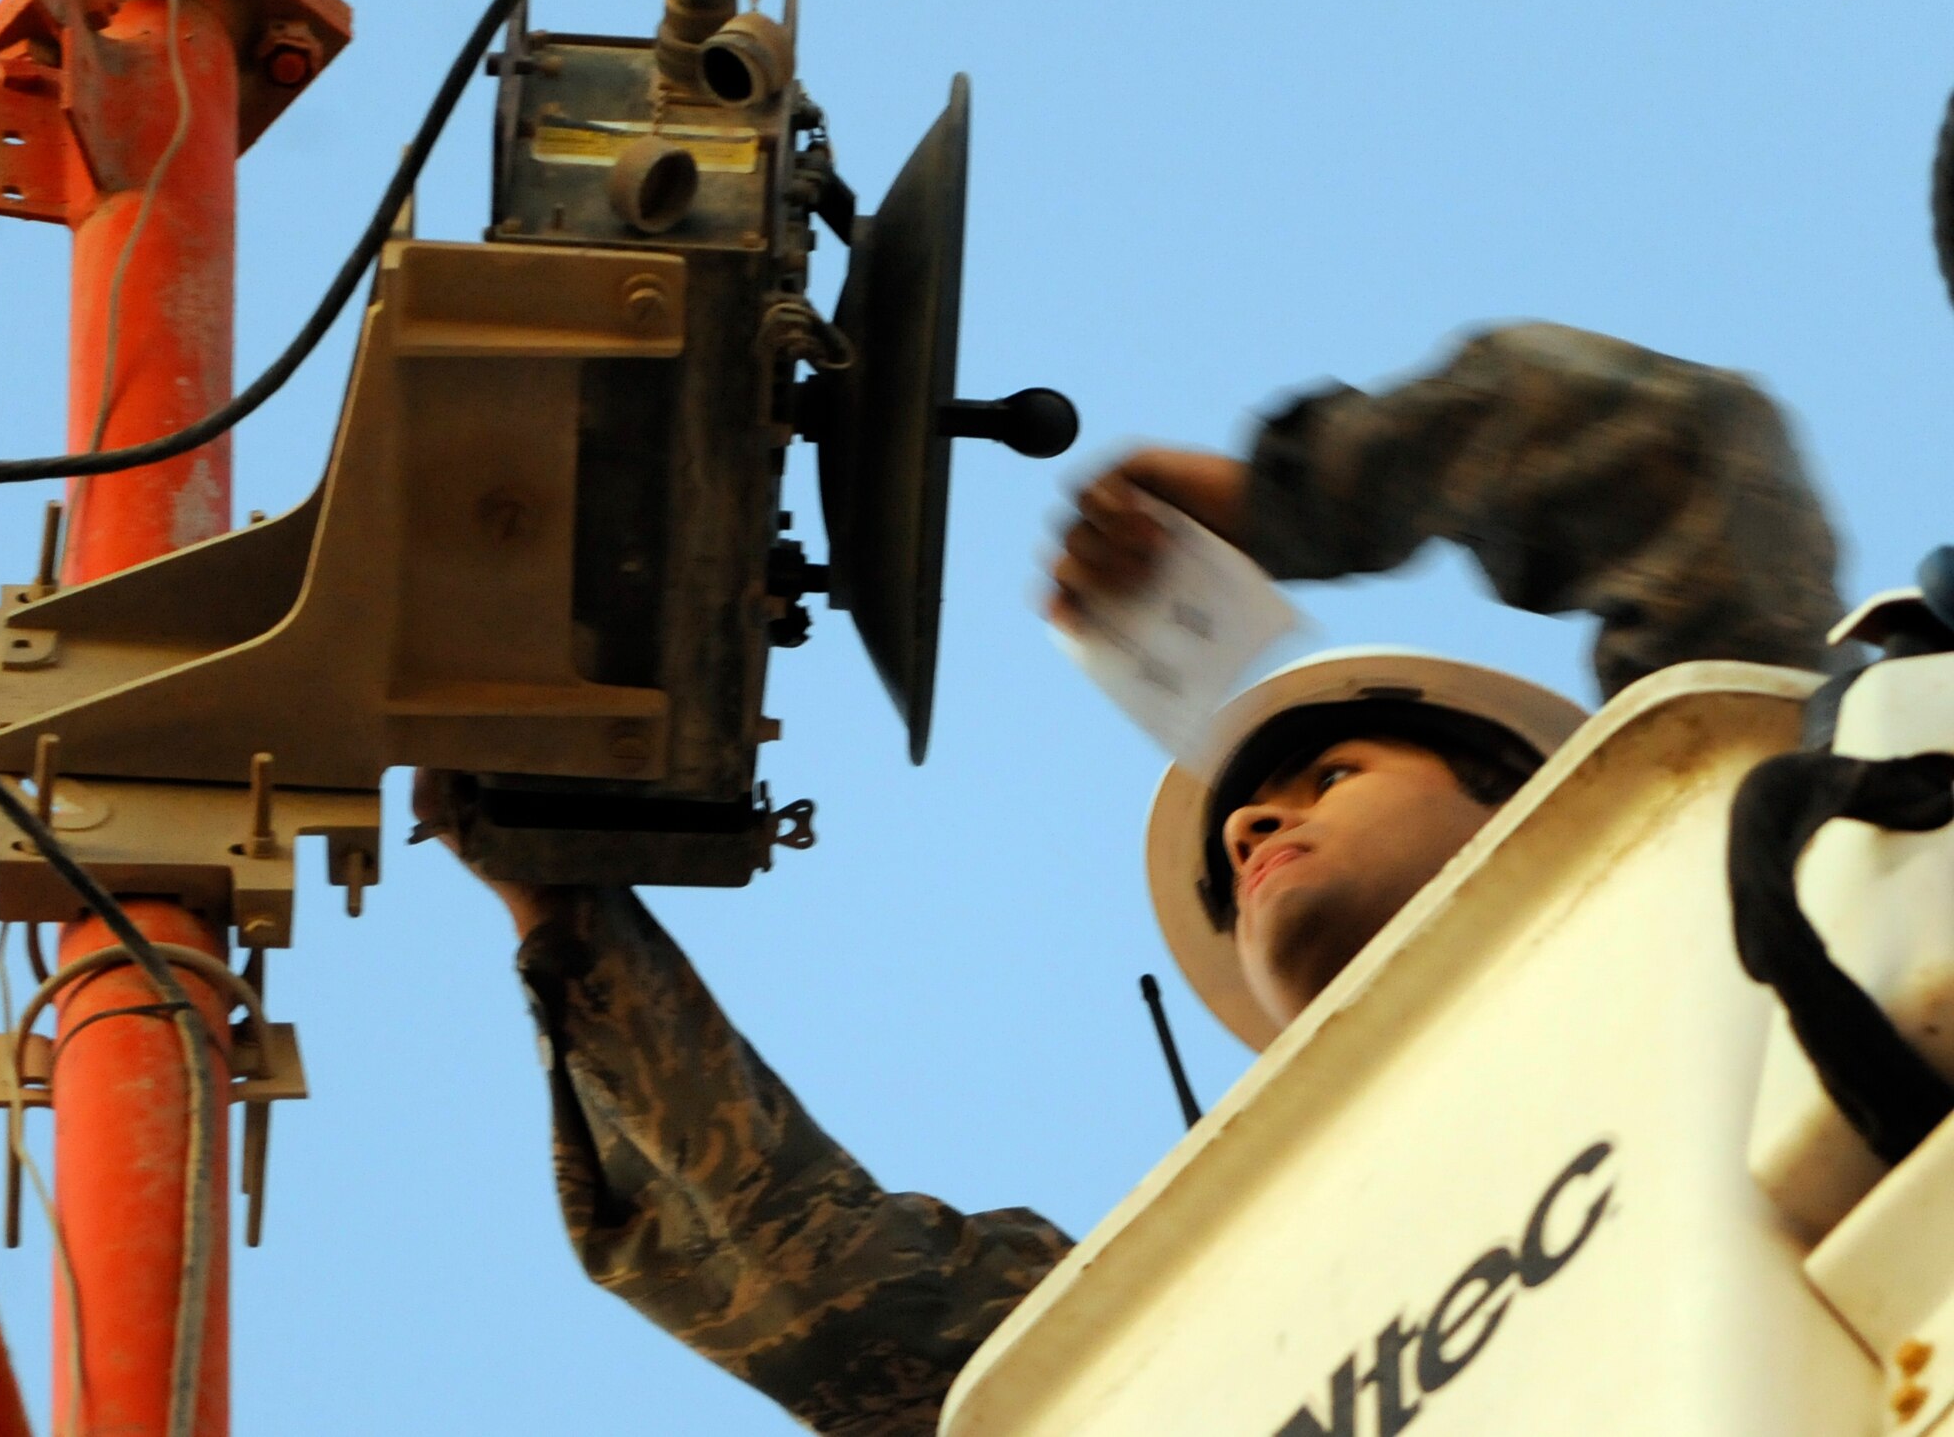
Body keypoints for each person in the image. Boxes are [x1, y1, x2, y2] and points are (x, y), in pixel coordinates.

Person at [418, 321, 1857, 1434]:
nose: (1252, 828)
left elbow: (1688, 460)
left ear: (1520, 802)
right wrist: (567, 914)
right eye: (1241, 839)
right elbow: (805, 1274)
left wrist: (1296, 500)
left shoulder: (1736, 873)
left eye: (1327, 776)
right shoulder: (1220, 1288)